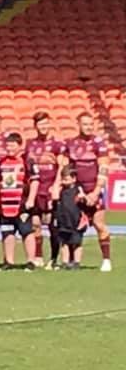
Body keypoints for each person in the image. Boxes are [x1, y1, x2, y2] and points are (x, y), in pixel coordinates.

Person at [66, 112, 112, 272]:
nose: (88, 127)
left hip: (95, 189)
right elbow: (68, 170)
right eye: (85, 124)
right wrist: (76, 190)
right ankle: (73, 260)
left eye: (90, 124)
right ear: (78, 124)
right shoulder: (71, 143)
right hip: (78, 191)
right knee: (74, 225)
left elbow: (104, 168)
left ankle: (106, 259)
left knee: (99, 224)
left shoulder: (98, 143)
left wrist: (96, 191)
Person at [0, 133, 39, 270]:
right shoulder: (1, 163)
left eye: (12, 145)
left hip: (21, 204)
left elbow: (34, 181)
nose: (9, 148)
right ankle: (9, 261)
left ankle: (31, 261)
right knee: (7, 232)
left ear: (19, 146)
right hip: (5, 205)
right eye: (7, 145)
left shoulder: (27, 162)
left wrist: (31, 199)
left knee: (26, 232)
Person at [25, 111, 67, 269]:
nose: (43, 127)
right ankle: (38, 255)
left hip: (50, 189)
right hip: (35, 190)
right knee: (35, 224)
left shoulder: (58, 145)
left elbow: (62, 167)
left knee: (52, 225)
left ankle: (54, 258)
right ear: (35, 126)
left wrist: (56, 186)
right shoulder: (30, 144)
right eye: (40, 124)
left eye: (45, 123)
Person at [53, 166, 88, 269]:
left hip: (76, 220)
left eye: (66, 179)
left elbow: (84, 201)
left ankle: (76, 262)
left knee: (76, 242)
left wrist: (82, 197)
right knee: (64, 242)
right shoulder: (61, 190)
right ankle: (65, 262)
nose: (64, 181)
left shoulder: (78, 189)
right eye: (63, 179)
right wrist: (58, 185)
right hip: (63, 220)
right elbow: (54, 197)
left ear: (74, 179)